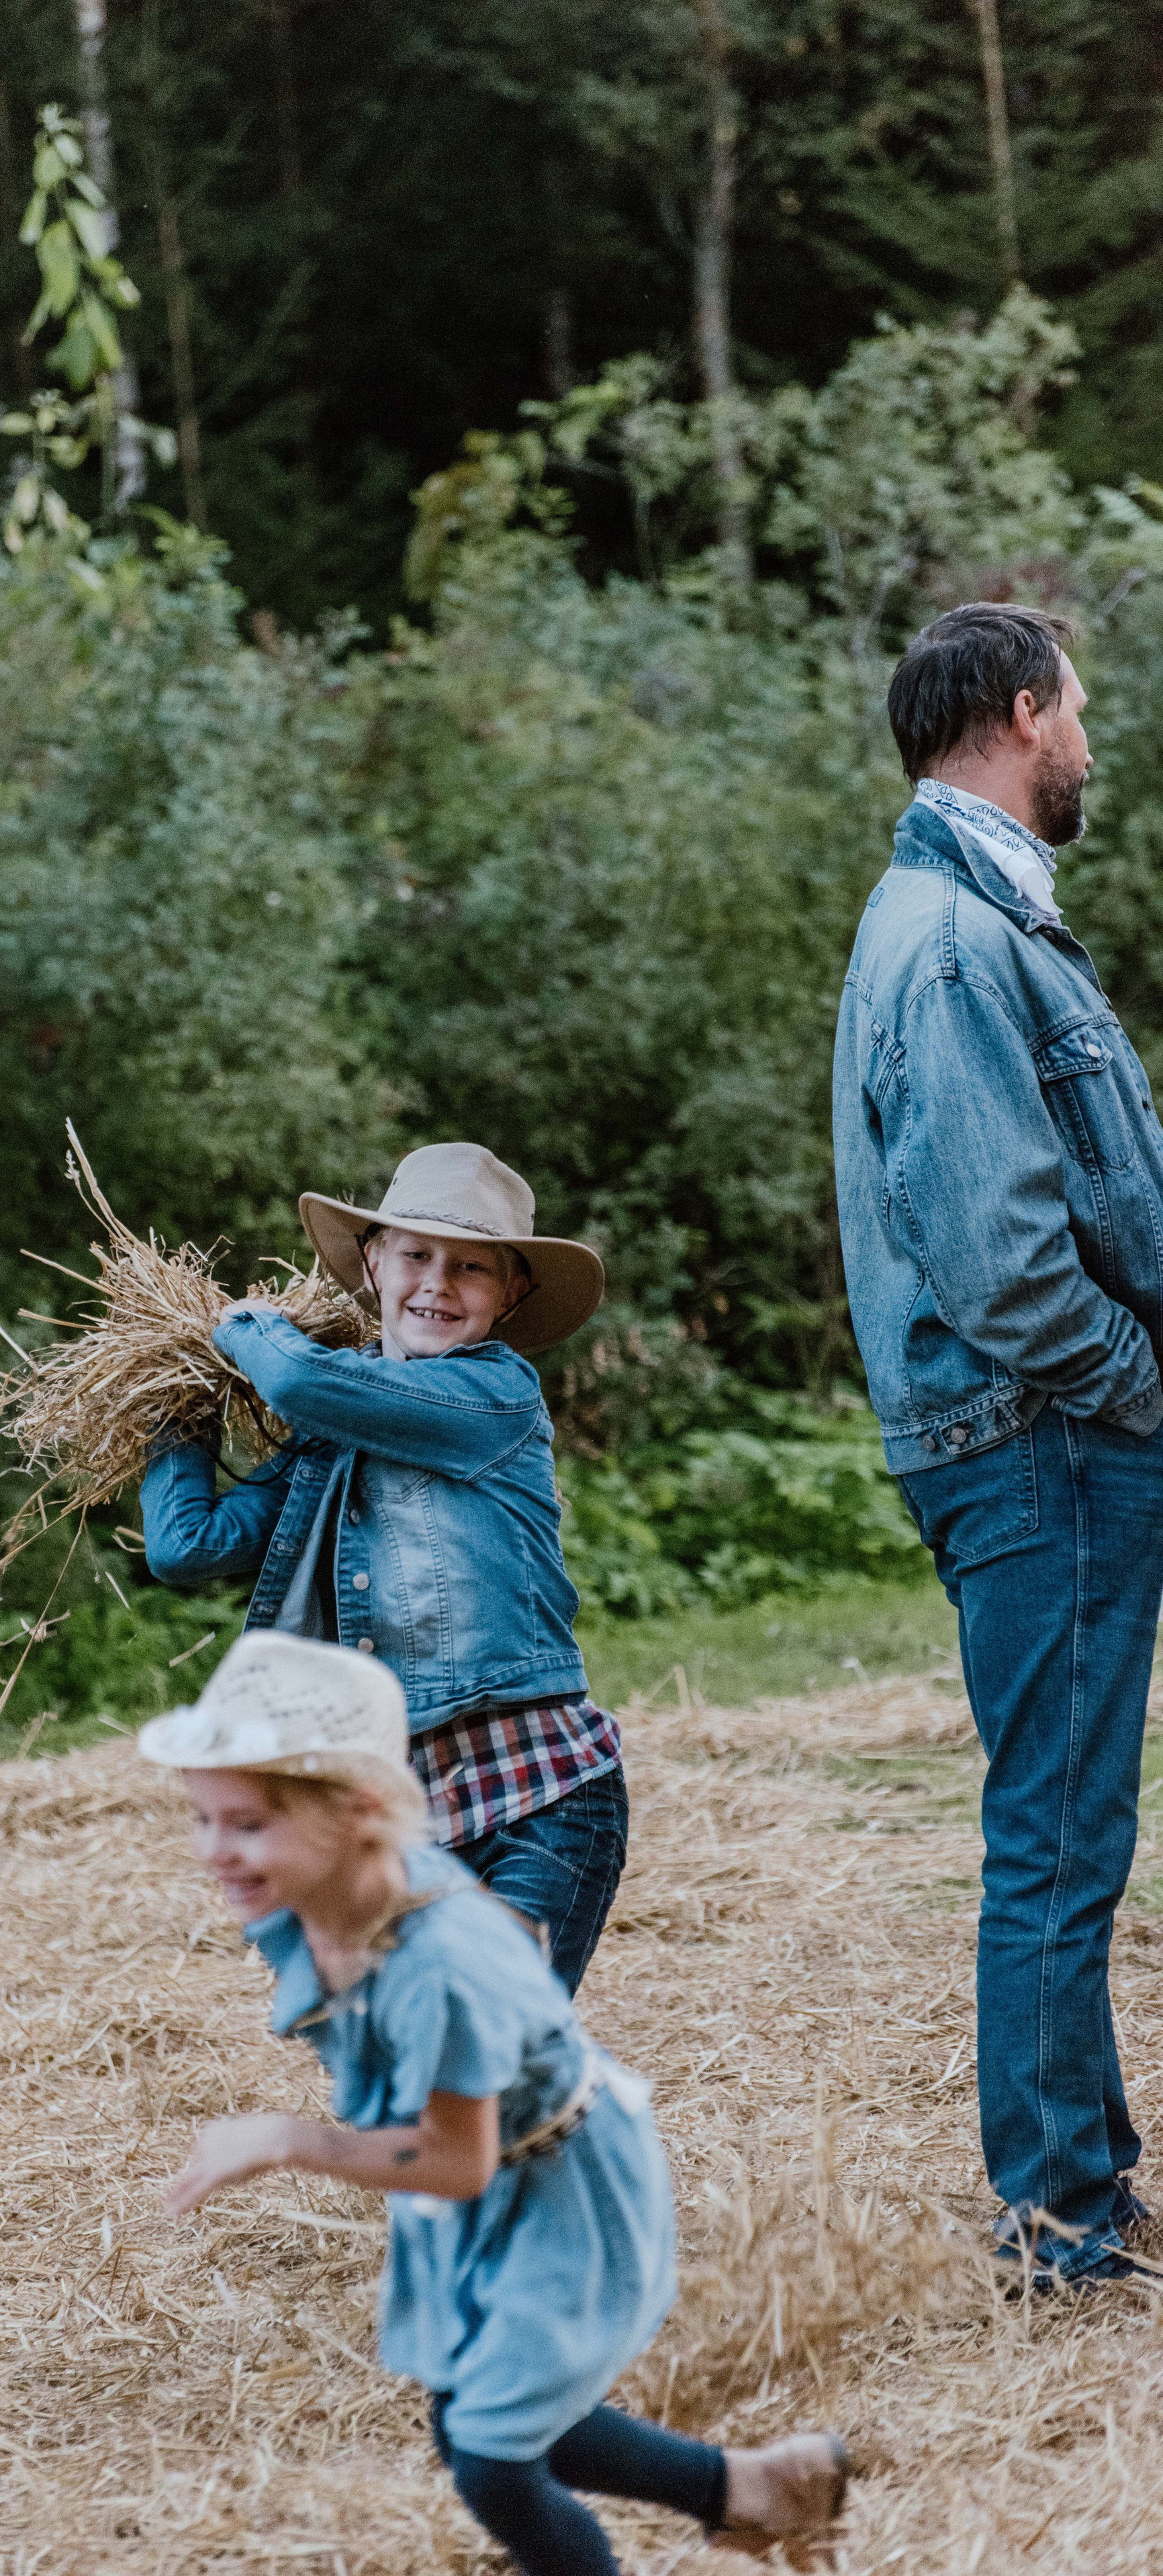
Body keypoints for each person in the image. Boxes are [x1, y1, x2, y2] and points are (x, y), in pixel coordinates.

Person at [148, 1631, 851, 2574]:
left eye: (243, 1823)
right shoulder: (319, 1891)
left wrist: (288, 2138)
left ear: (357, 1810)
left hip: (558, 2180)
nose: (213, 1852)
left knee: (491, 2458)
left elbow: (457, 2156)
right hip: (493, 2176)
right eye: (201, 1818)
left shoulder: (444, 1964)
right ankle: (758, 2488)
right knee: (471, 2413)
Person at [833, 602, 1163, 2288]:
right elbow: (999, 1244)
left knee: (1067, 1819)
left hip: (1037, 1430)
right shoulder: (949, 940)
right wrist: (1132, 1382)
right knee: (1051, 1828)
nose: (1090, 741)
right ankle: (1057, 2224)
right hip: (1044, 1434)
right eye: (1079, 710)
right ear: (1021, 713)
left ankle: (1089, 2177)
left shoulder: (967, 920)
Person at [141, 1142, 625, 1995]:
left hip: (539, 1797)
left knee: (490, 2047)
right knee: (425, 2078)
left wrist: (238, 1328)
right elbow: (188, 1545)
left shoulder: (494, 1393)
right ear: (372, 1264)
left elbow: (290, 1375)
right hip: (402, 1813)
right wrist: (174, 1399)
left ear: (511, 1294)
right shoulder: (328, 1421)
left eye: (470, 1267)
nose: (436, 1283)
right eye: (414, 1255)